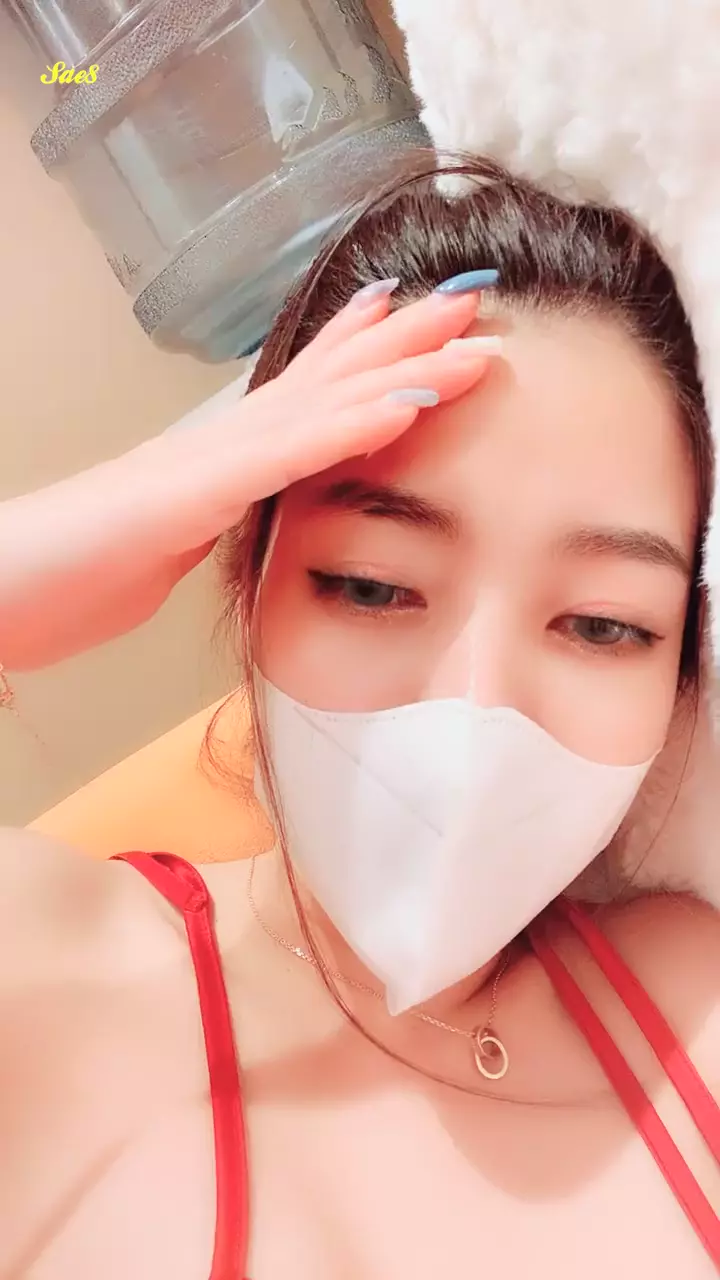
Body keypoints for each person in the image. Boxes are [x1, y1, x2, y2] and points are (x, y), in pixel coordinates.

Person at [2, 156, 720, 1280]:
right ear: (249, 576)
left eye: (601, 624)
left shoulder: (692, 999)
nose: (476, 706)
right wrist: (115, 507)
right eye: (374, 586)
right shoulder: (47, 982)